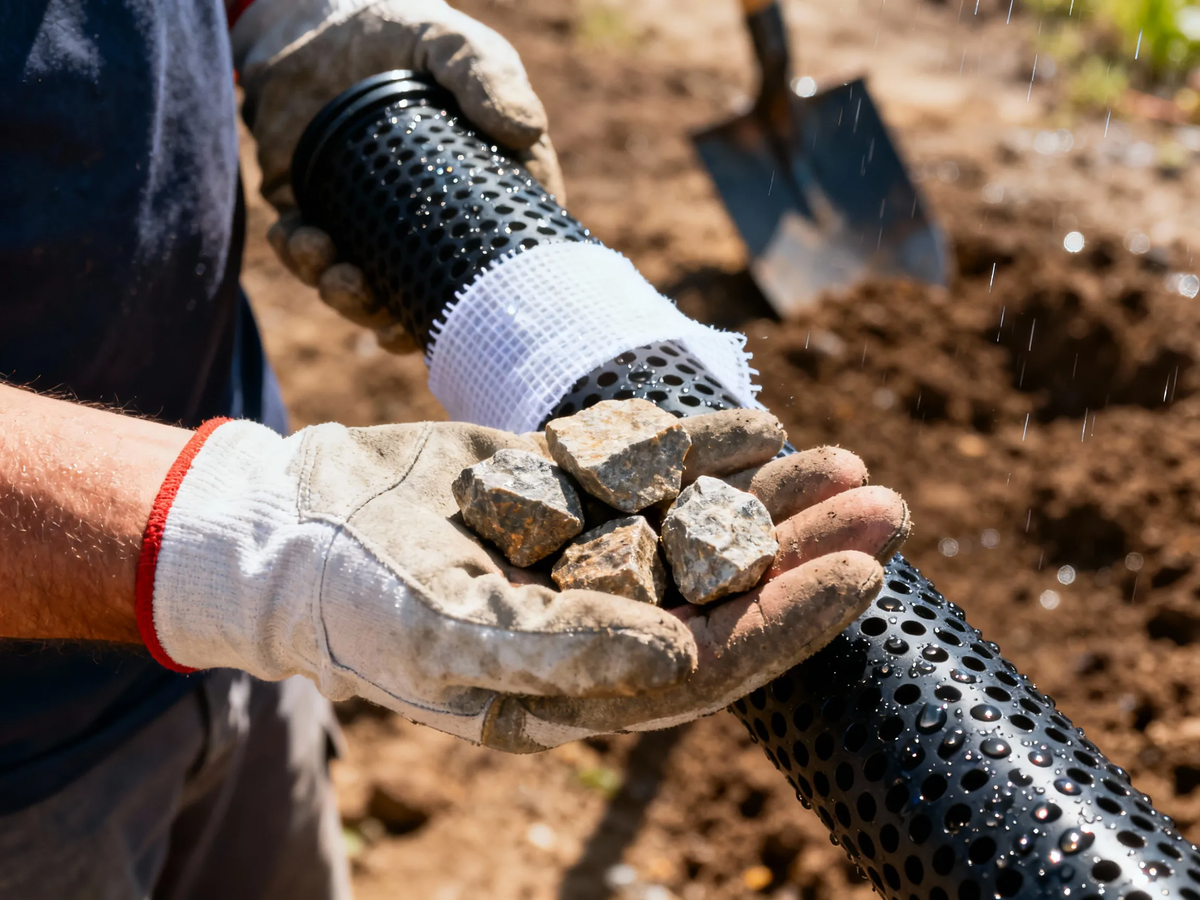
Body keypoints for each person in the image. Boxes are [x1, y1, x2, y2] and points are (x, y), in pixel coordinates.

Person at [0, 1, 910, 897]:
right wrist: (243, 549)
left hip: (231, 622)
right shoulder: (278, 559)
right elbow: (256, 555)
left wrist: (293, 15)